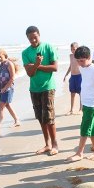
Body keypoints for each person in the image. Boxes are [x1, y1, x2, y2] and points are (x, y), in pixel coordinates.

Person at [22, 26, 59, 156]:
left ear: (39, 35)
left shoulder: (48, 47)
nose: (33, 40)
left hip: (48, 87)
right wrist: (36, 65)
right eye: (30, 38)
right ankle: (47, 144)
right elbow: (30, 74)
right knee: (40, 118)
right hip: (34, 88)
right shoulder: (25, 53)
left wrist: (37, 65)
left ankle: (55, 144)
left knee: (49, 117)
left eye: (35, 37)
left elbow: (55, 68)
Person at [66, 46, 94, 162]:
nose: (80, 63)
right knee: (92, 128)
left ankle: (79, 153)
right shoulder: (82, 67)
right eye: (78, 61)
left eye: (82, 60)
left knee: (85, 128)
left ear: (89, 57)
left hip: (93, 103)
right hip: (86, 102)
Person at [0, 49, 20, 131]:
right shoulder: (0, 65)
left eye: (0, 57)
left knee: (1, 106)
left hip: (8, 89)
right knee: (7, 105)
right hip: (2, 89)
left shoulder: (9, 64)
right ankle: (17, 120)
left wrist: (5, 88)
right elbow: (0, 79)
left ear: (4, 55)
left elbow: (12, 78)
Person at [63, 42, 82, 115]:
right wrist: (66, 75)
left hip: (79, 76)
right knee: (72, 93)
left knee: (81, 93)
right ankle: (71, 109)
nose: (73, 50)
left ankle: (81, 109)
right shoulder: (71, 56)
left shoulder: (80, 56)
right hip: (73, 76)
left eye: (74, 49)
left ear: (77, 48)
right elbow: (71, 65)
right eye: (71, 49)